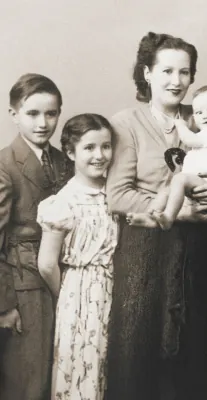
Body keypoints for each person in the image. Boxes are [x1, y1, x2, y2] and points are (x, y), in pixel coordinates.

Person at [106, 32, 207, 400]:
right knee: (137, 354)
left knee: (192, 352)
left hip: (195, 251)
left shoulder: (204, 117)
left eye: (185, 72)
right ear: (147, 73)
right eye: (166, 71)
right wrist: (180, 214)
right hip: (144, 251)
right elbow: (118, 196)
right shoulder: (126, 122)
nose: (176, 81)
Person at [37, 113, 118, 400]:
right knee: (85, 369)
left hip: (118, 290)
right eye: (89, 148)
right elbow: (47, 264)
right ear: (71, 153)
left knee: (115, 370)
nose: (99, 155)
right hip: (80, 294)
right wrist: (72, 294)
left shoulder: (117, 192)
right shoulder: (64, 201)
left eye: (106, 146)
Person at [0, 73, 70, 399]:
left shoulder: (63, 161)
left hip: (61, 278)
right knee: (27, 378)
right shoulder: (4, 164)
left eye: (51, 113)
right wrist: (4, 305)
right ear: (14, 114)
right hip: (22, 285)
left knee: (58, 374)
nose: (43, 123)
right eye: (32, 114)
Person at [127, 84, 207, 230]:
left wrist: (180, 125)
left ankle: (169, 217)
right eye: (199, 112)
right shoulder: (205, 134)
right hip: (197, 183)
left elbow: (190, 140)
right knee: (165, 191)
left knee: (179, 179)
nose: (206, 115)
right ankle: (151, 216)